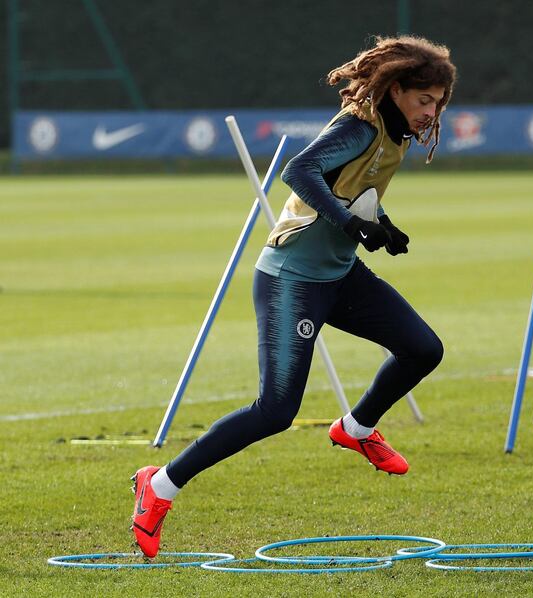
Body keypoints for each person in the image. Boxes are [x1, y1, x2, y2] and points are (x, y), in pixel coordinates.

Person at [129, 35, 457, 557]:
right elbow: (299, 171)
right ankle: (160, 484)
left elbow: (350, 189)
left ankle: (356, 427)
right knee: (276, 410)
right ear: (395, 90)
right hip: (291, 279)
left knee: (424, 349)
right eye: (424, 100)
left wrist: (381, 226)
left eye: (438, 103)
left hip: (340, 276)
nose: (431, 112)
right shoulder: (358, 126)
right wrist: (351, 222)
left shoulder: (396, 136)